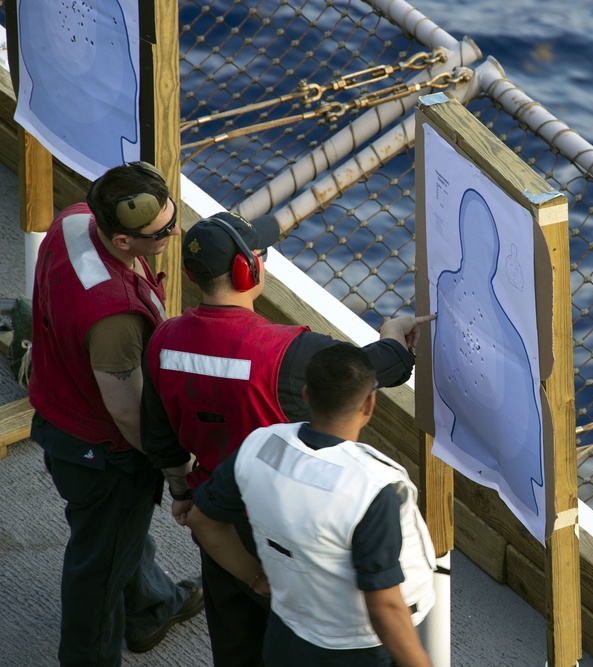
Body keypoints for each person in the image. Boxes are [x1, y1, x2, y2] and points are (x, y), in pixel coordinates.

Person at [140, 211, 434, 666]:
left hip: (215, 509)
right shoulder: (292, 352)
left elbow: (160, 436)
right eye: (260, 254)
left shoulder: (163, 340)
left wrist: (182, 491)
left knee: (235, 643)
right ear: (248, 269)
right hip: (280, 514)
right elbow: (356, 375)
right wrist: (395, 342)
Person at [28, 161, 204, 666]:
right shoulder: (115, 320)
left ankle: (149, 608)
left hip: (58, 407)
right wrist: (177, 473)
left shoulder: (75, 220)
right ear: (124, 242)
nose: (174, 232)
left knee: (119, 534)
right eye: (162, 231)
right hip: (103, 455)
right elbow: (130, 416)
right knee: (97, 571)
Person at [187, 344, 436, 666]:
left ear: (306, 394)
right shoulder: (373, 487)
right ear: (369, 404)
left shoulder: (260, 444)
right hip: (357, 647)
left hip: (287, 629)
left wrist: (255, 578)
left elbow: (203, 521)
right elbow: (384, 606)